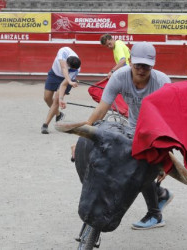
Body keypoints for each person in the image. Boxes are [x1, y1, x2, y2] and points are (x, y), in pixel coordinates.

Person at [63, 42, 174, 230]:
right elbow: (101, 110)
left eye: (146, 66)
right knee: (125, 164)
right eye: (137, 65)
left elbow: (170, 120)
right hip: (132, 127)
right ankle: (160, 193)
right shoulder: (119, 77)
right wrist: (82, 139)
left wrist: (164, 156)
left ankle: (155, 214)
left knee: (141, 168)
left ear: (153, 65)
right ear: (130, 62)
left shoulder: (163, 82)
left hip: (155, 131)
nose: (141, 69)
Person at [41, 47, 81, 134]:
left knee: (56, 100)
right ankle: (59, 114)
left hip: (65, 81)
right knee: (47, 98)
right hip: (54, 74)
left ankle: (45, 125)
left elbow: (63, 84)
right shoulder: (64, 51)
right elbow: (63, 68)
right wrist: (70, 81)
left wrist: (61, 99)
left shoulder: (76, 69)